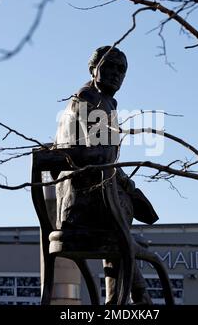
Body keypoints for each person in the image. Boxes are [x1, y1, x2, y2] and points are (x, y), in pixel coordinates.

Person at [54, 46, 155, 304]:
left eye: (121, 69)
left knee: (125, 234)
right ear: (93, 69)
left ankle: (122, 299)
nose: (116, 73)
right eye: (109, 66)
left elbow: (103, 158)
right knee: (124, 237)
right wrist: (129, 186)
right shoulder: (90, 99)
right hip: (83, 207)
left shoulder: (103, 102)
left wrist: (128, 186)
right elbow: (100, 159)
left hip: (96, 202)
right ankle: (135, 296)